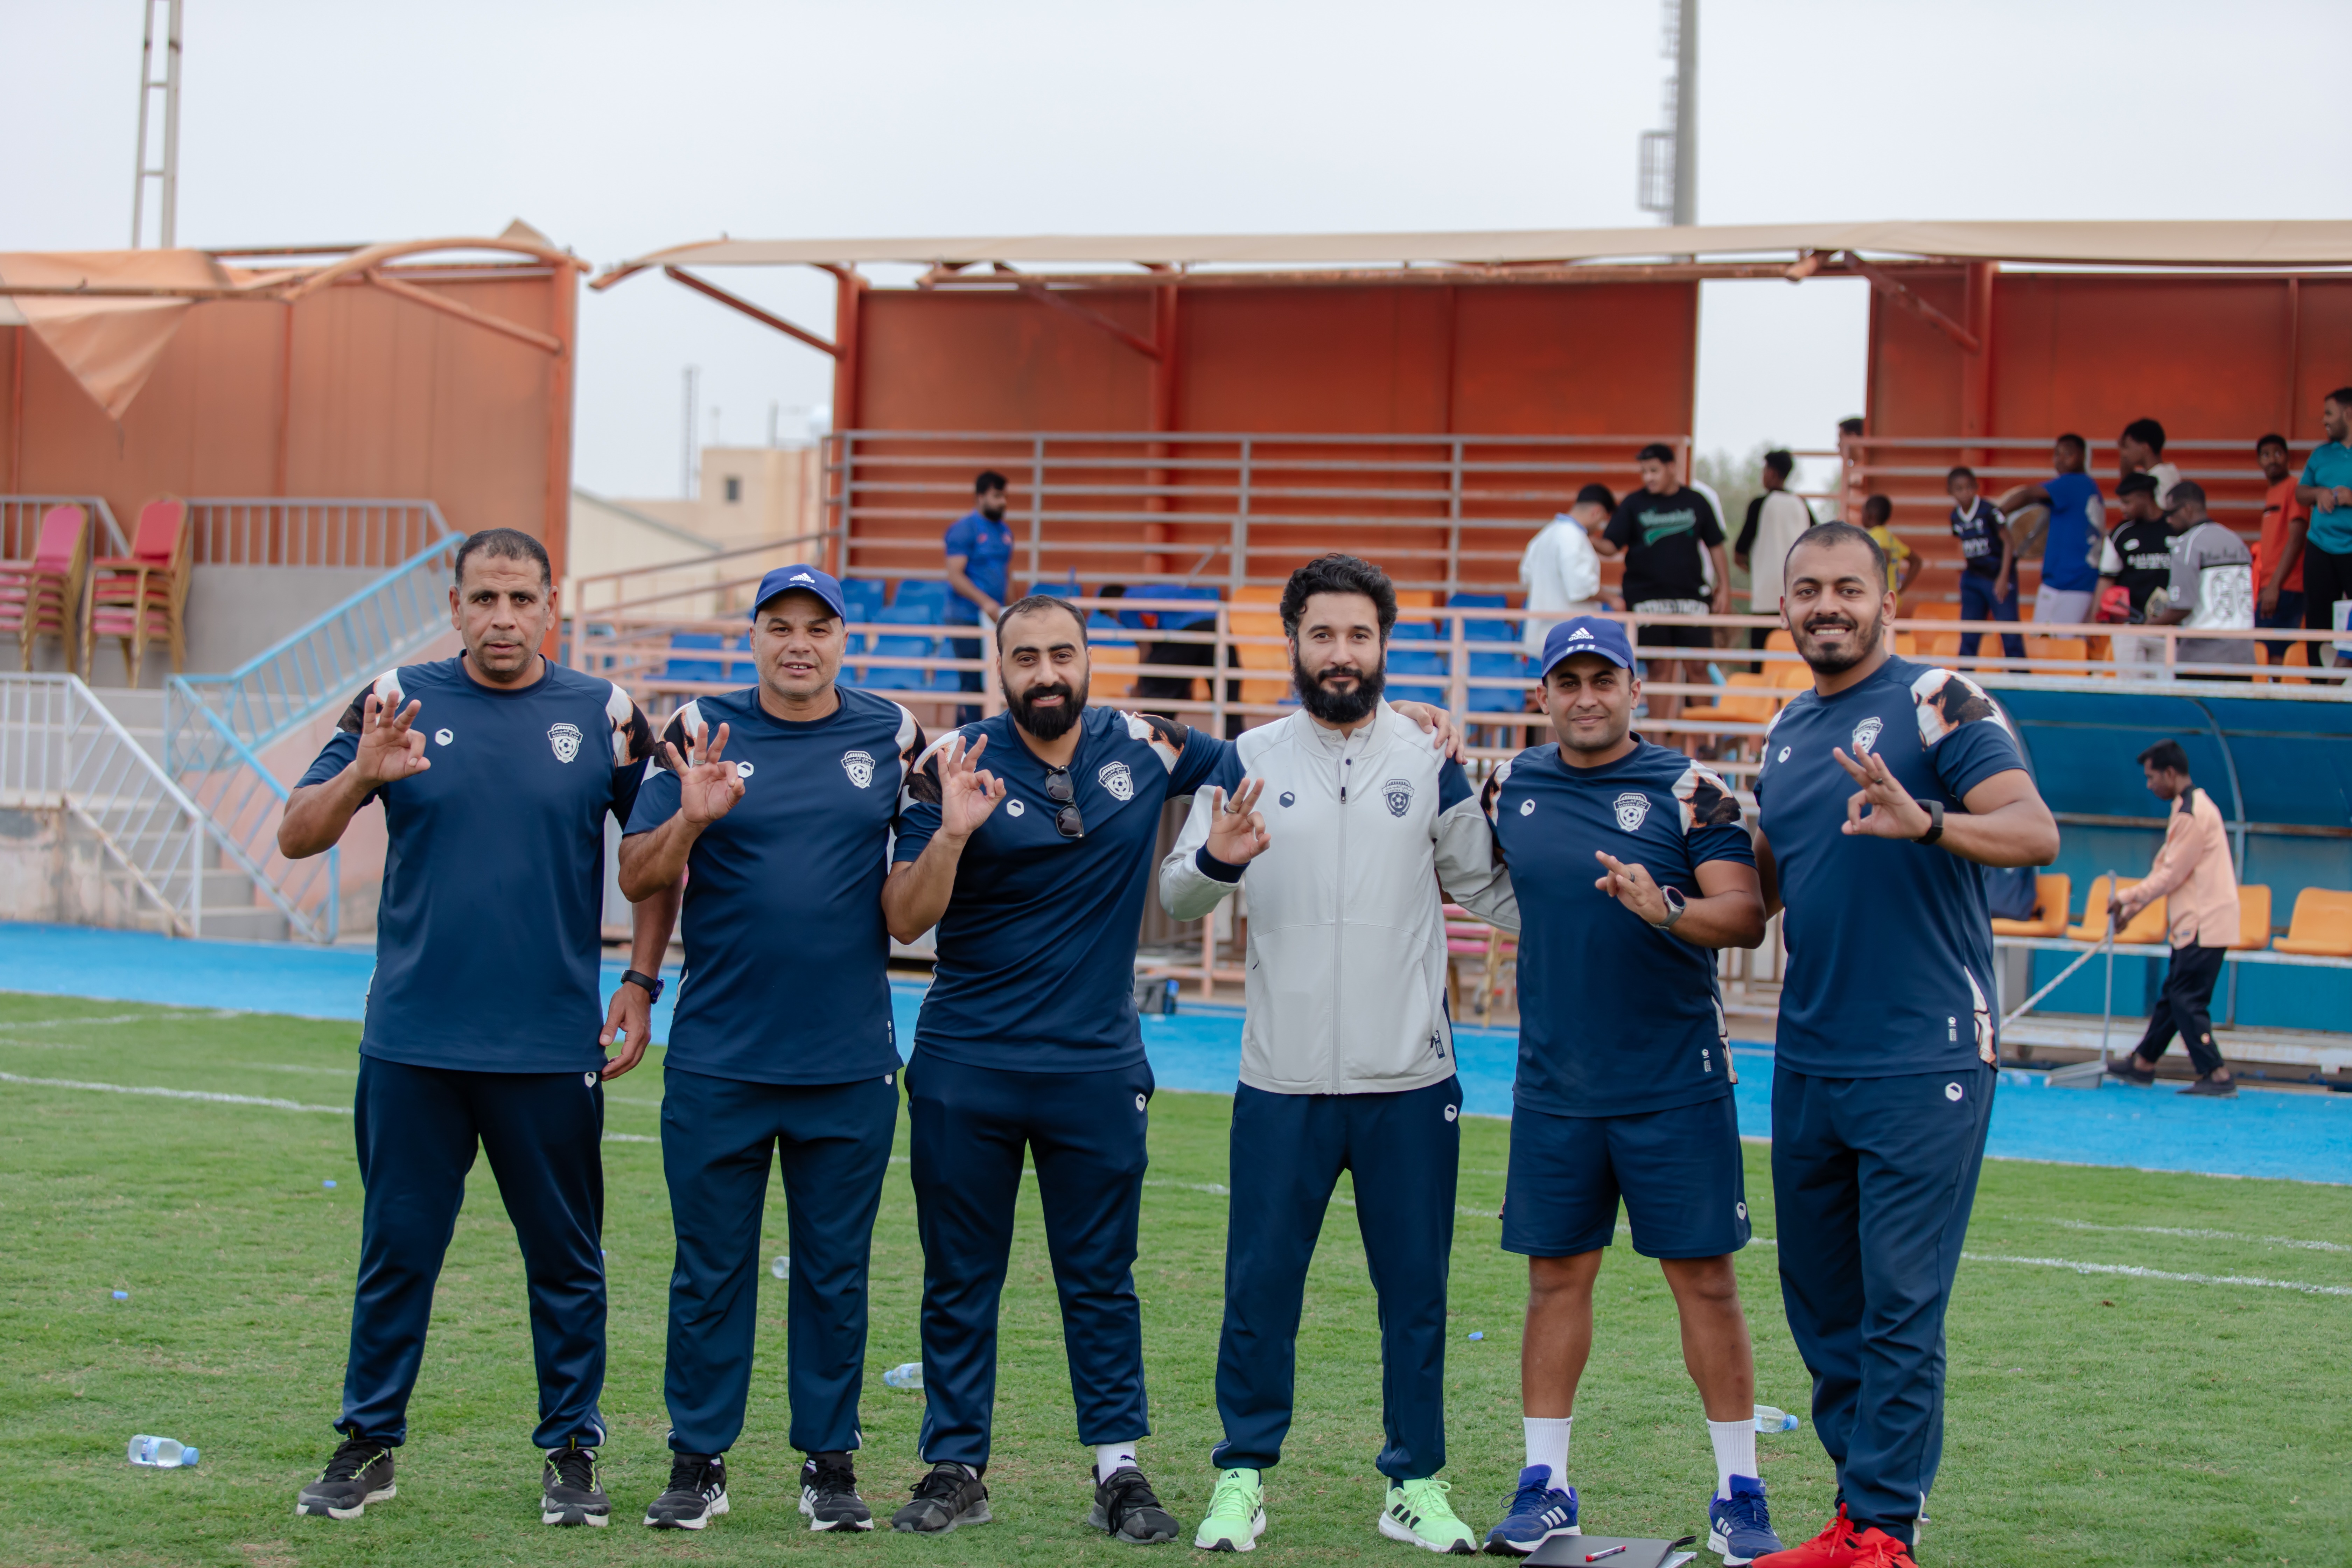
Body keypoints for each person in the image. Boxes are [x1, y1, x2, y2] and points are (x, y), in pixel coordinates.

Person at [877, 590, 1464, 1542]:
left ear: (1087, 658)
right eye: (1024, 658)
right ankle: (955, 1466)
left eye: (1061, 653)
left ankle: (1118, 1468)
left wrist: (1411, 726)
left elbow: (1300, 747)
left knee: (1102, 1276)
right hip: (966, 1063)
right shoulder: (956, 763)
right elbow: (904, 920)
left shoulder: (1151, 746)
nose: (1046, 674)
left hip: (1098, 1068)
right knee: (958, 1276)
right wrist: (951, 831)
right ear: (1000, 668)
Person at [278, 527, 670, 1528]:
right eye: (484, 598)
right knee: (398, 1250)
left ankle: (573, 1452)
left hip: (549, 1044)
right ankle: (369, 1442)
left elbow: (662, 855)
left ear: (553, 606)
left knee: (566, 1259)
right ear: (454, 607)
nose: (503, 617)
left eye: (522, 599)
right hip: (413, 1040)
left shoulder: (606, 712)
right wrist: (364, 771)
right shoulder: (393, 701)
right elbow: (297, 833)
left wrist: (639, 979)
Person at [1160, 554, 1512, 1558]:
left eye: (1360, 635)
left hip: (1410, 1080)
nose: (1342, 653)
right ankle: (1241, 1476)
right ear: (1295, 642)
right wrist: (1222, 854)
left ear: (1383, 645)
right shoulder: (1245, 760)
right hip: (1279, 1080)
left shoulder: (1428, 757)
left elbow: (1491, 889)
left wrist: (1598, 907)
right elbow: (1184, 892)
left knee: (1417, 1295)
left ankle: (1416, 1483)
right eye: (1324, 634)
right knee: (1260, 1289)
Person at [1747, 524, 2059, 1568]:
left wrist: (1924, 820)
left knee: (1899, 1305)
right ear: (1782, 608)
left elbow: (2030, 831)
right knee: (1824, 1306)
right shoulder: (1785, 728)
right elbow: (1760, 892)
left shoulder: (1940, 699)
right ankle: (1855, 1514)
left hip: (1922, 1058)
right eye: (1806, 589)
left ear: (1885, 600)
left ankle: (1884, 1528)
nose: (1825, 604)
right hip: (1808, 1059)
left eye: (1846, 586)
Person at [616, 565, 927, 1532]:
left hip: (847, 1062)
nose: (800, 642)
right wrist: (690, 818)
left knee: (836, 1273)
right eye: (780, 625)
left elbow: (912, 904)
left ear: (846, 641)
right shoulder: (698, 729)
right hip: (720, 1057)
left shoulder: (894, 734)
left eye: (818, 627)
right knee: (710, 1269)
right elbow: (638, 875)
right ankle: (697, 1460)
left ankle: (829, 1467)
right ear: (753, 636)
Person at [1472, 615, 1782, 1564]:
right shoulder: (1509, 784)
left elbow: (1746, 916)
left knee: (1706, 1284)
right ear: (1544, 695)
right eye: (1568, 680)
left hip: (1673, 1084)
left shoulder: (1691, 790)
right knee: (1555, 1279)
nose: (1586, 695)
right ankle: (1546, 1482)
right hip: (1558, 1083)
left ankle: (1741, 1492)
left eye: (1603, 677)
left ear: (1635, 687)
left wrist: (1670, 907)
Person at [2102, 741, 2240, 1097]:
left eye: (2152, 778)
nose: (2149, 785)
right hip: (2194, 924)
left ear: (2170, 773)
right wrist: (2130, 912)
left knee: (2186, 1000)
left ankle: (2217, 1073)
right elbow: (2164, 868)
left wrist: (2125, 897)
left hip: (2204, 923)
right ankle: (2143, 1063)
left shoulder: (2194, 814)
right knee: (2173, 995)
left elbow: (2169, 877)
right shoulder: (2184, 810)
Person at [1595, 444, 1730, 752]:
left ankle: (1705, 739)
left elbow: (1717, 545)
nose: (1649, 478)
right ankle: (1657, 742)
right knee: (1659, 667)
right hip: (1646, 597)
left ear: (1672, 468)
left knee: (1698, 666)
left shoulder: (1696, 501)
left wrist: (1724, 587)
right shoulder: (1634, 504)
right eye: (1644, 472)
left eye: (1654, 470)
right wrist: (1584, 536)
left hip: (1690, 597)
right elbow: (1611, 546)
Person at [2144, 482, 2255, 679]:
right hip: (2243, 658)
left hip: (2203, 660)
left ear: (2187, 509)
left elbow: (2182, 607)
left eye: (2170, 513)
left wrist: (2151, 625)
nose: (2168, 520)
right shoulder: (2236, 541)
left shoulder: (2187, 545)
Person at [1997, 434, 2106, 627]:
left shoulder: (2072, 482)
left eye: (2068, 454)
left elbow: (2028, 494)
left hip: (2070, 582)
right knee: (2050, 644)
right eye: (2057, 454)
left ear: (2083, 456)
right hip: (2068, 581)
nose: (2060, 459)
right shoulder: (2088, 485)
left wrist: (1997, 514)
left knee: (2058, 647)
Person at [945, 471, 1016, 722]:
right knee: (972, 681)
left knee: (997, 678)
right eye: (997, 496)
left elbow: (1007, 574)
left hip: (996, 617)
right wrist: (984, 601)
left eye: (1005, 496)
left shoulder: (1005, 532)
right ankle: (971, 737)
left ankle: (973, 732)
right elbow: (955, 575)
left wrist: (1013, 609)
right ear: (981, 496)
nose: (1003, 502)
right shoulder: (964, 530)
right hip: (965, 616)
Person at [2293, 386, 2352, 668]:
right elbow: (2301, 492)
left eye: (2329, 413)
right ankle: (2317, 683)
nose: (2324, 420)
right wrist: (2318, 494)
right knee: (2317, 617)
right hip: (2320, 546)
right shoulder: (2320, 454)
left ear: (2349, 414)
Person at [1521, 484, 1614, 660]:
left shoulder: (1544, 534)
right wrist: (1612, 599)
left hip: (1544, 632)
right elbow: (1582, 588)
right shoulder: (1573, 537)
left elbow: (1526, 575)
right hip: (1571, 636)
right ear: (1597, 513)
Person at [2096, 474, 2176, 674]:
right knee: (2131, 690)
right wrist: (2096, 617)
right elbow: (2107, 578)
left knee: (2167, 693)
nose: (2123, 509)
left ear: (2145, 497)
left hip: (2168, 626)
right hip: (2129, 628)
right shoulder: (2121, 533)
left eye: (2128, 502)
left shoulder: (2176, 528)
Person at [1736, 451, 1815, 651]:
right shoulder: (1802, 505)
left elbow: (1739, 553)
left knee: (1761, 662)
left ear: (1771, 473)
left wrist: (1757, 571)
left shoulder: (1760, 505)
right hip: (1798, 597)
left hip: (1765, 599)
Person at [1943, 467, 2022, 664]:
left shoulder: (1989, 511)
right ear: (1951, 492)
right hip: (1973, 577)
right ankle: (1965, 681)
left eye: (1969, 487)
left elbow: (2008, 542)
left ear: (1976, 487)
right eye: (1959, 489)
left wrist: (2004, 577)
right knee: (1969, 633)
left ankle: (2021, 679)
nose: (1965, 493)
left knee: (2010, 633)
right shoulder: (1955, 517)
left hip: (1998, 575)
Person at [2252, 434, 2308, 665]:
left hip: (2286, 587)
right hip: (2270, 587)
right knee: (2262, 651)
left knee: (2276, 654)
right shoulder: (2272, 492)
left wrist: (2275, 586)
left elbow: (2296, 538)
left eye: (2278, 453)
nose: (2272, 459)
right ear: (2259, 462)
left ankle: (2276, 700)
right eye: (2266, 455)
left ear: (2287, 457)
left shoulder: (2294, 488)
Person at [1857, 496, 1915, 603]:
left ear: (1870, 515)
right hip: (1892, 599)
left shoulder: (1875, 535)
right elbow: (1916, 561)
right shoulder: (1892, 539)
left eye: (1862, 513)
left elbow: (1884, 557)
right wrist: (1900, 591)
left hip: (1880, 601)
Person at [2118, 417, 2182, 508]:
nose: (2124, 454)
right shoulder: (2160, 473)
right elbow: (2127, 487)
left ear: (2145, 447)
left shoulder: (2162, 478)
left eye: (2127, 447)